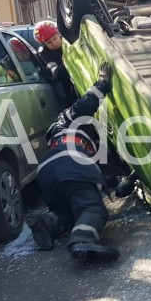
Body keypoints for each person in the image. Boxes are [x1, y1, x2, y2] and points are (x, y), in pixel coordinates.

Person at [28, 62, 121, 262]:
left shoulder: (64, 138)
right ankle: (82, 241)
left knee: (73, 211)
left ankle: (48, 222)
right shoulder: (65, 121)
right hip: (70, 163)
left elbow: (96, 178)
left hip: (47, 173)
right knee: (92, 208)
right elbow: (86, 104)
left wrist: (120, 182)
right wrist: (103, 82)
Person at [33, 20, 78, 107]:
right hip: (68, 90)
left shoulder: (69, 41)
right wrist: (71, 63)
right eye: (49, 42)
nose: (54, 43)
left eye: (54, 38)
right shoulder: (45, 54)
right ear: (44, 44)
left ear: (59, 34)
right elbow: (55, 72)